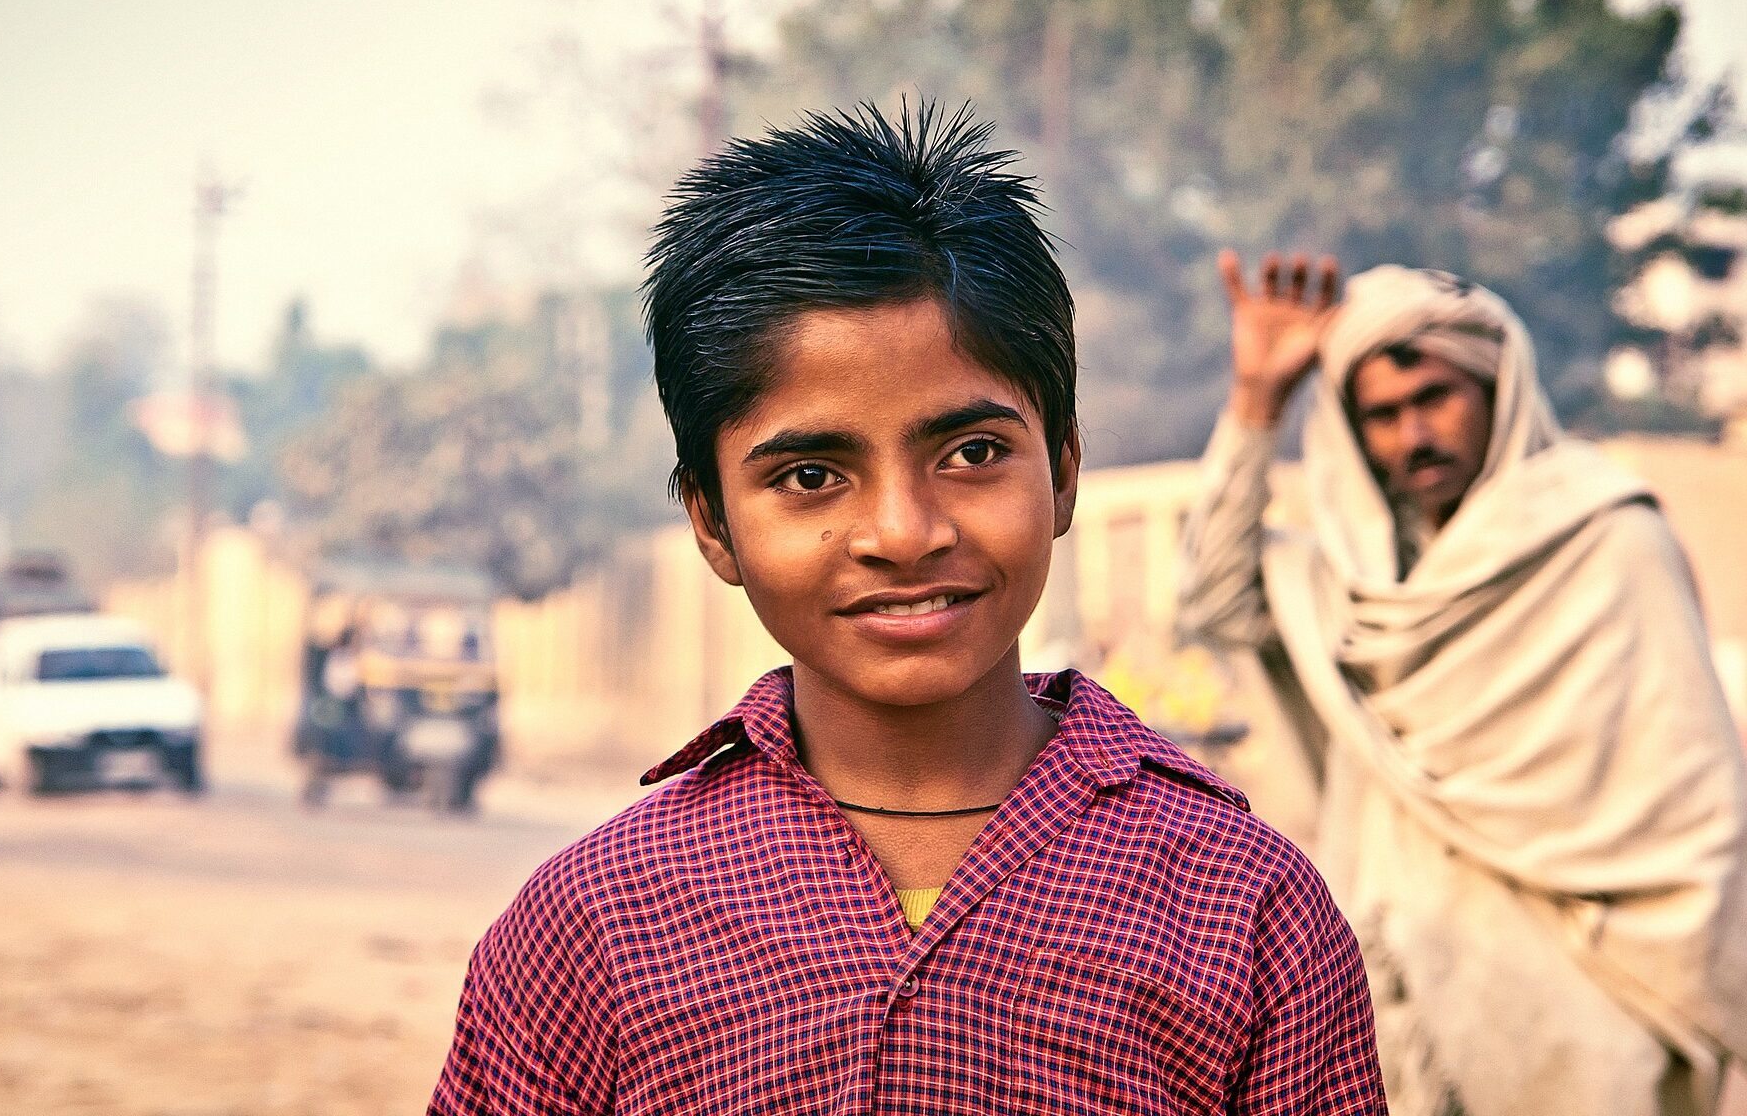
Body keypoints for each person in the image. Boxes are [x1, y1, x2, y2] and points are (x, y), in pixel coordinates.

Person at [427, 106, 1385, 1115]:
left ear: (1063, 472)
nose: (902, 531)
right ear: (713, 523)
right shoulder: (595, 925)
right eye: (809, 475)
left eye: (971, 454)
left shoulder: (1240, 908)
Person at [1176, 253, 1747, 1116]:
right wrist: (1257, 402)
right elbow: (1213, 595)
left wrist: (1667, 983)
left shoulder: (1606, 540)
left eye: (1436, 398)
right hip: (1399, 1005)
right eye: (1383, 415)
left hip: (1583, 1004)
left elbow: (1695, 802)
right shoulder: (1354, 588)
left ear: (1497, 393)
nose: (1414, 436)